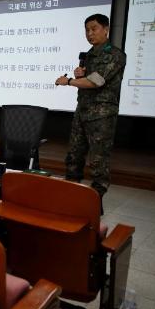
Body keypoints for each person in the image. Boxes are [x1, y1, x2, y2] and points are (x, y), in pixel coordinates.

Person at [55, 14, 126, 204]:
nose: (89, 33)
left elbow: (96, 81)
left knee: (98, 162)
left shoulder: (115, 54)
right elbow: (87, 78)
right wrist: (79, 73)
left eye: (94, 29)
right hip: (83, 112)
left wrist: (69, 81)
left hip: (101, 116)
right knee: (74, 156)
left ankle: (95, 204)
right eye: (87, 30)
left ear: (106, 29)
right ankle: (71, 198)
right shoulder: (90, 54)